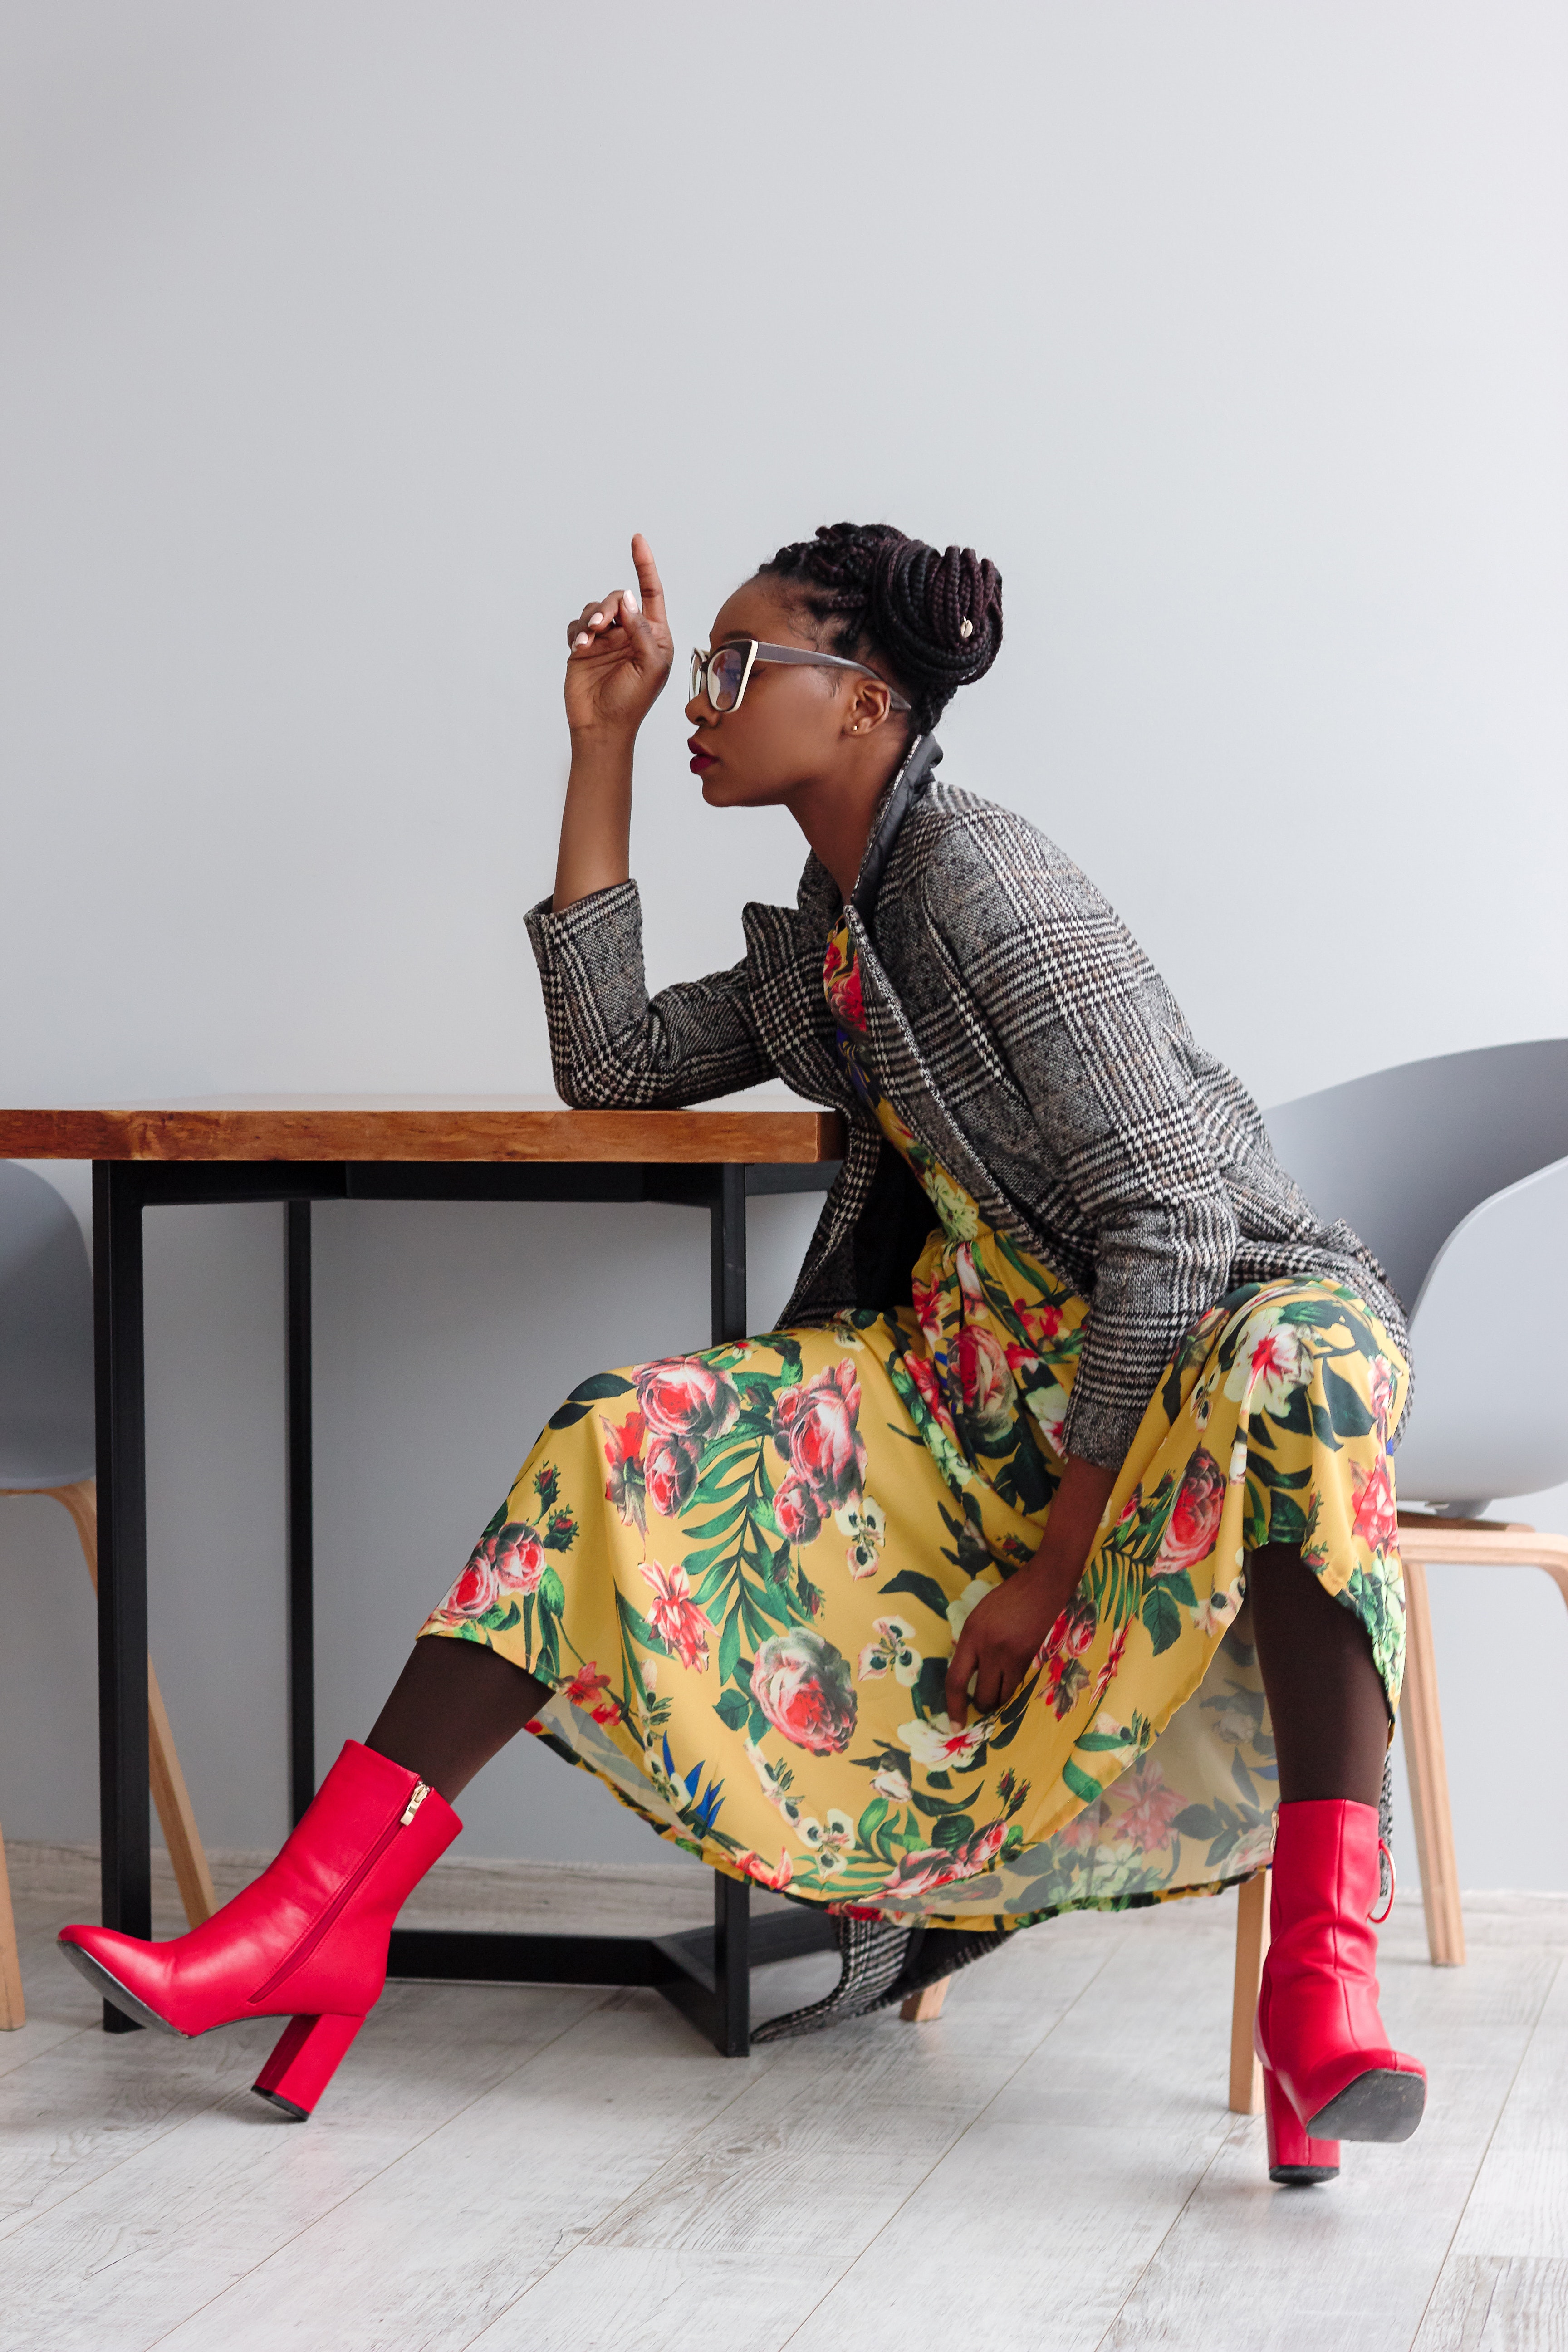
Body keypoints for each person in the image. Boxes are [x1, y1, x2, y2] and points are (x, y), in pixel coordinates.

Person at [61, 523, 1424, 2184]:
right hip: (984, 1395)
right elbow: (610, 1055)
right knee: (619, 1438)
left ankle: (1322, 1991)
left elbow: (1170, 1222)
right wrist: (601, 739)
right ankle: (312, 1923)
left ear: (861, 706)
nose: (704, 696)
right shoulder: (835, 944)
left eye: (730, 666)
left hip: (1212, 1345)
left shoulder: (991, 887)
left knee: (1305, 1378)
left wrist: (1062, 1564)